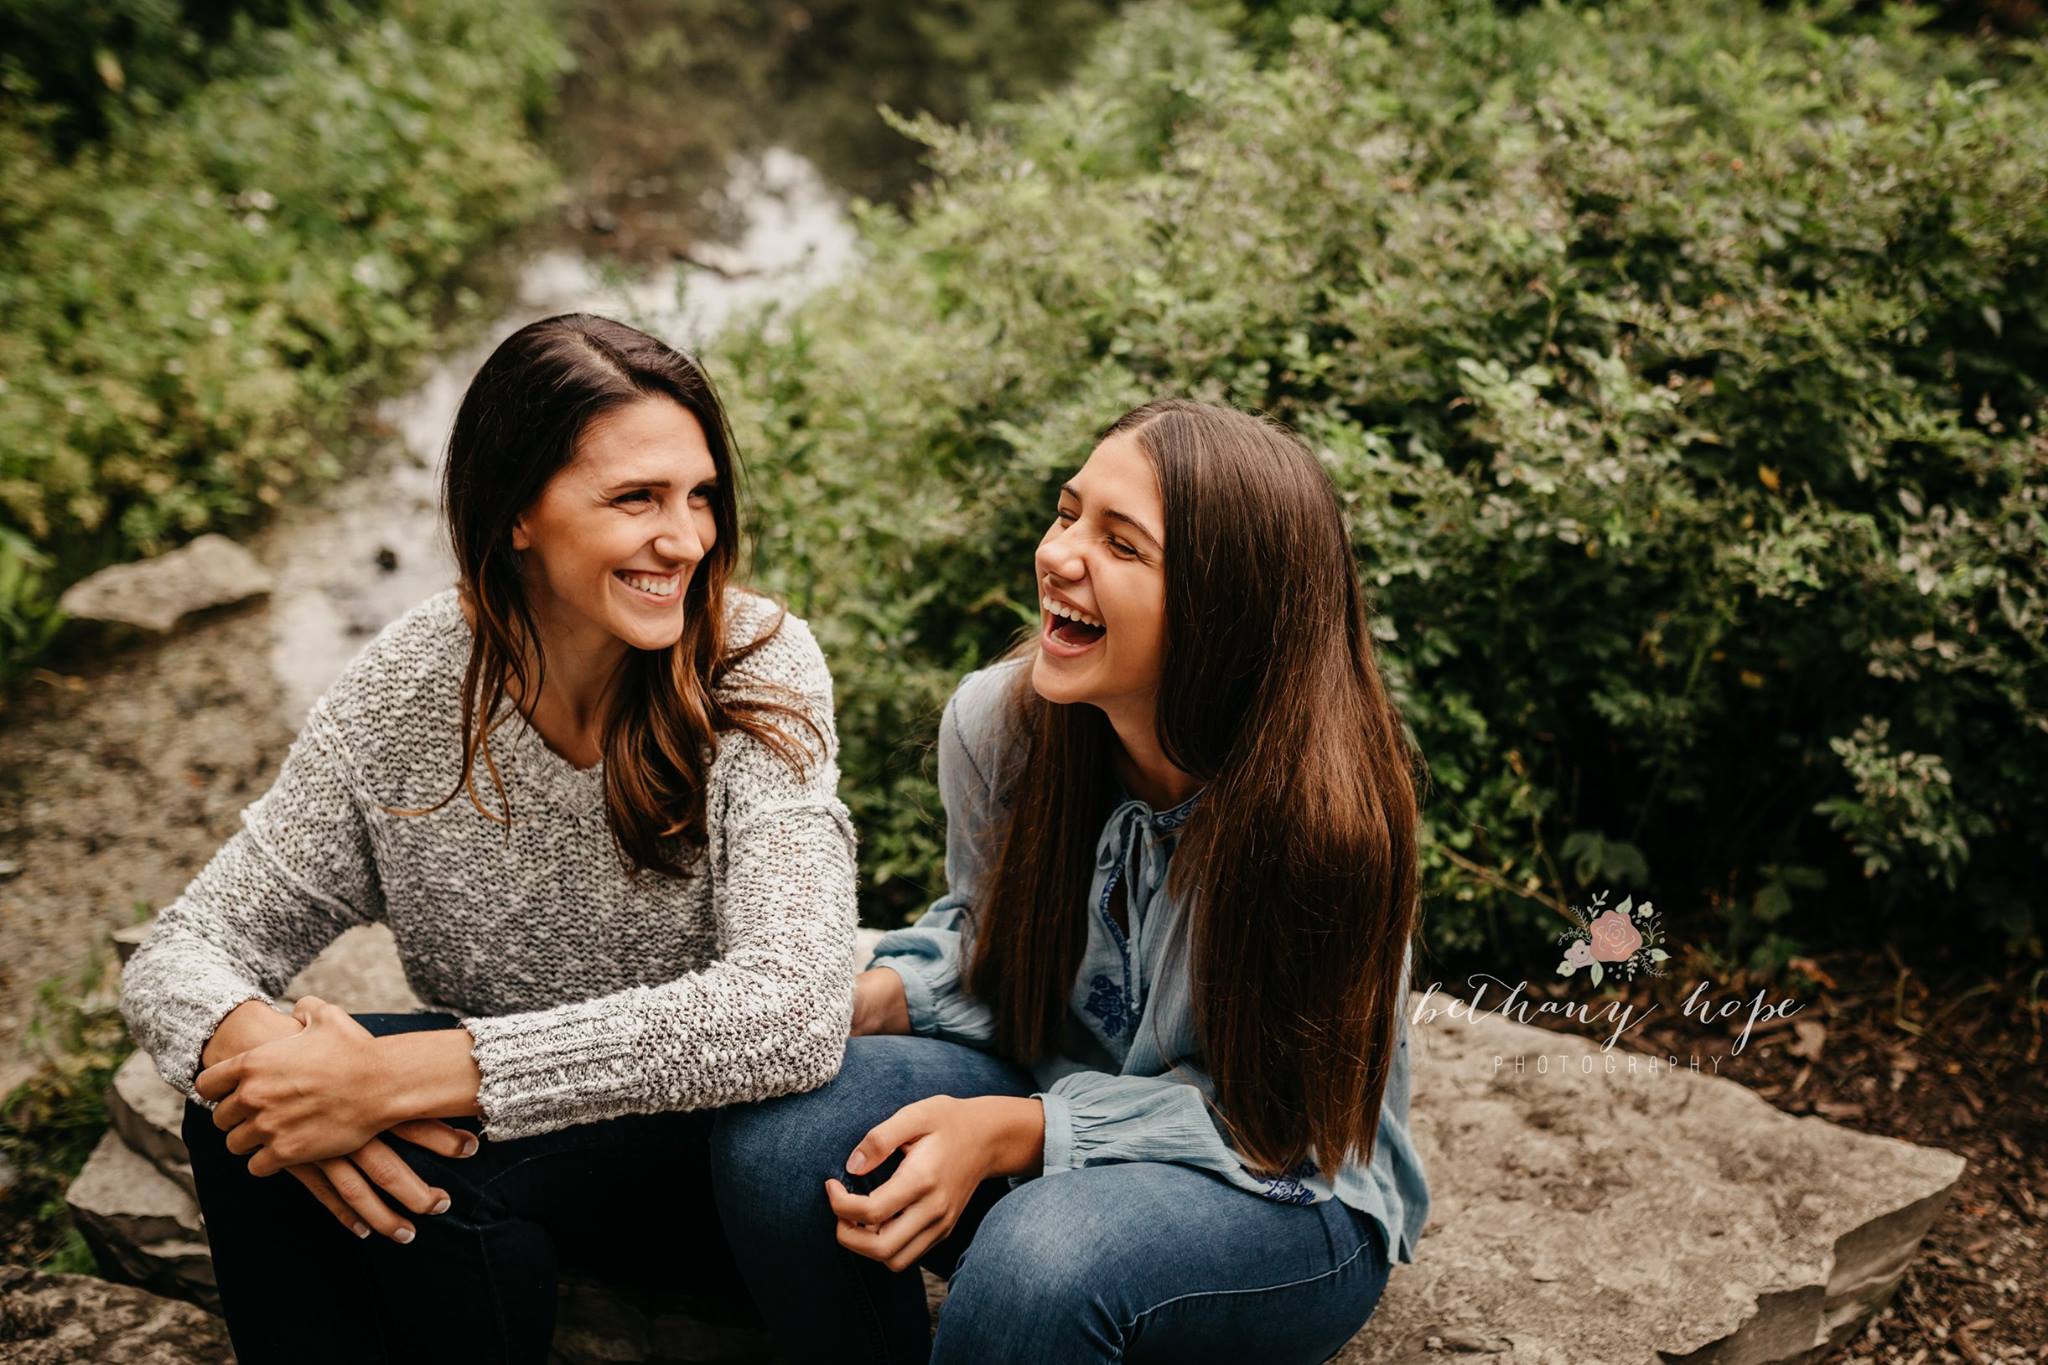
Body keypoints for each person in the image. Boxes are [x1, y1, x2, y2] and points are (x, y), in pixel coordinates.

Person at [117, 313, 859, 1364]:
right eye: (635, 499)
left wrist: (410, 1074)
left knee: (429, 1176)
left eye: (699, 497)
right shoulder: (411, 689)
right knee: (246, 1112)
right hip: (499, 1139)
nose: (687, 538)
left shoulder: (756, 665)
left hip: (719, 1151)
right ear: (515, 513)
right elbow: (182, 949)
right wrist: (266, 1056)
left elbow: (793, 1011)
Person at [710, 398, 1431, 1363]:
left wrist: (1021, 1132)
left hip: (1283, 1191)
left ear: (1228, 607)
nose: (1060, 553)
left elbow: (1279, 1126)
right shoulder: (999, 727)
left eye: (1122, 545)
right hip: (1047, 1088)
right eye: (1067, 512)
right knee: (780, 1129)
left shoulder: (1321, 825)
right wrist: (880, 996)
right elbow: (992, 940)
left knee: (1041, 1255)